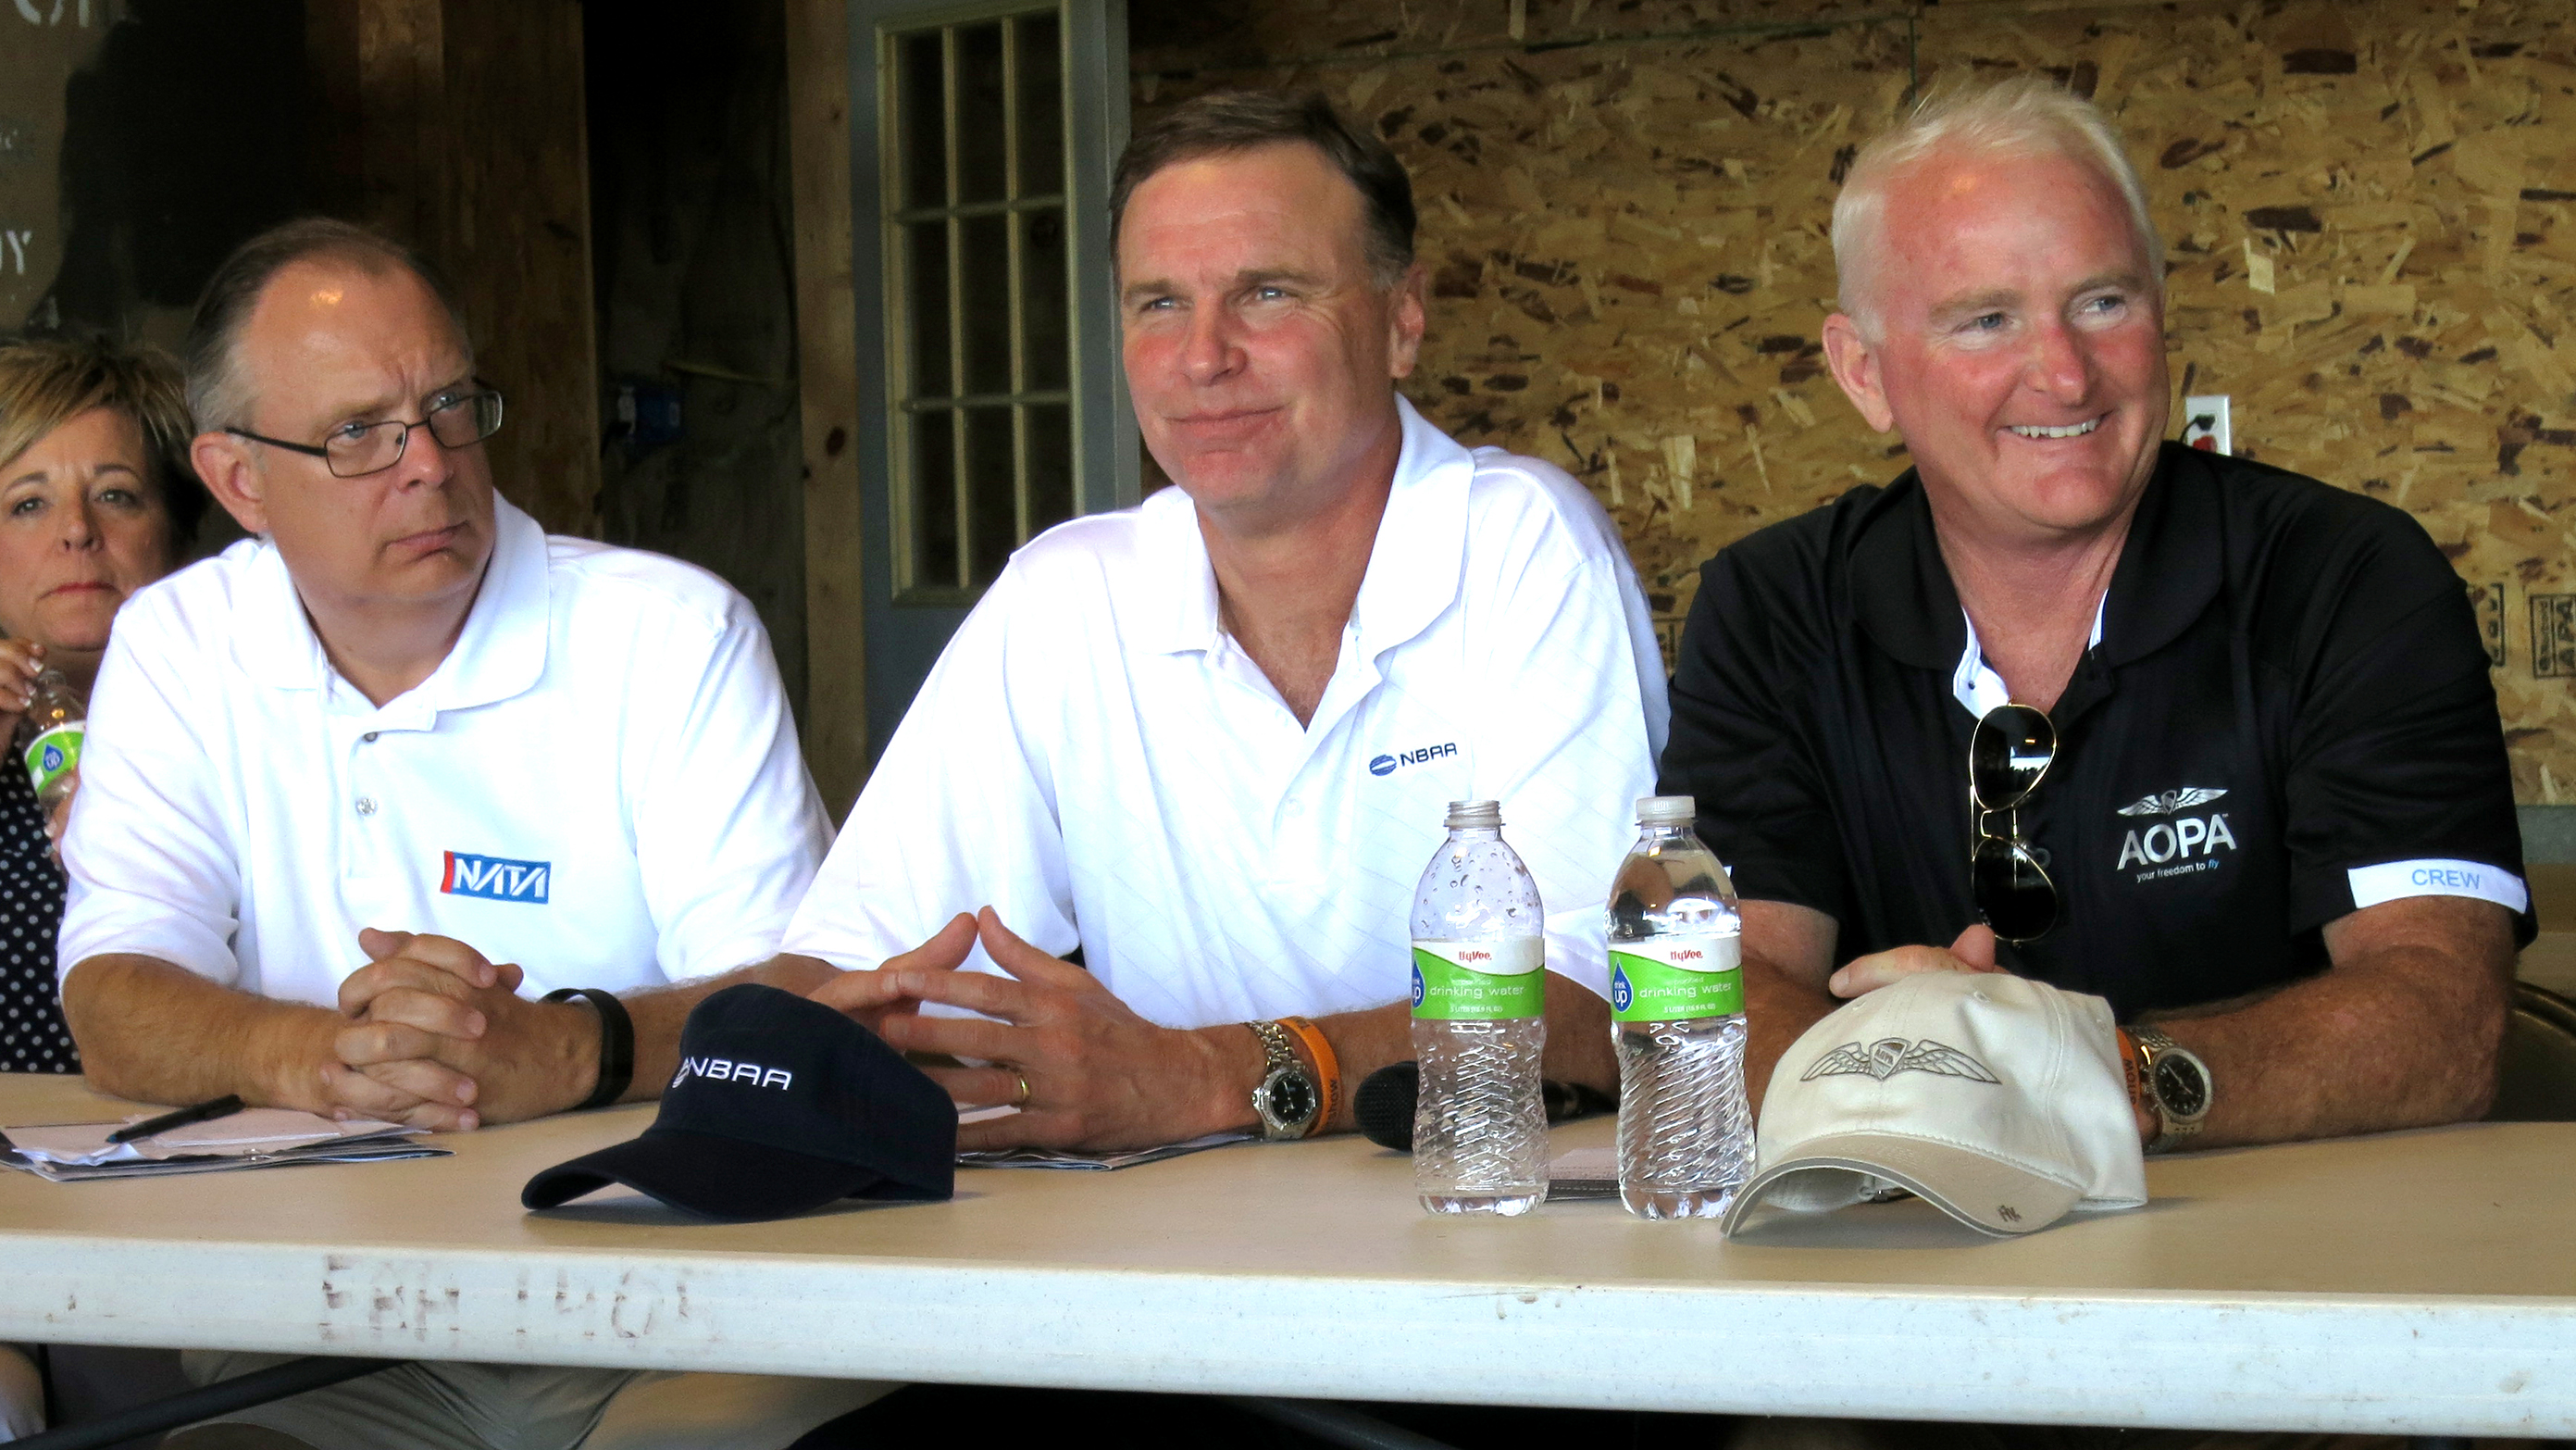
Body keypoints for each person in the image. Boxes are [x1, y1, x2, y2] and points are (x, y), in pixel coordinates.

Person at [53, 219, 877, 1448]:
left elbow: (804, 1005)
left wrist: (564, 1048)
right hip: (325, 1330)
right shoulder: (180, 644)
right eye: (358, 435)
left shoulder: (666, 634)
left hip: (669, 1305)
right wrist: (328, 1054)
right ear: (238, 481)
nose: (427, 465)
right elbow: (113, 988)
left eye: (448, 407)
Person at [1661, 77, 2528, 1160]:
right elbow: (1728, 986)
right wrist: (1903, 1091)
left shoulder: (2346, 578)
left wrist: (2095, 1074)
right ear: (1863, 374)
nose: (2063, 373)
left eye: (2102, 302)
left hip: (2293, 1262)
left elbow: (2444, 1023)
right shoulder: (1770, 608)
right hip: (1912, 1242)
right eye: (1985, 320)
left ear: (2161, 310)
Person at [792, 91, 1665, 1151]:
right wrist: (598, 1041)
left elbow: (1605, 994)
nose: (1203, 357)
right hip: (1170, 1245)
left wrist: (1208, 1075)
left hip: (1484, 1227)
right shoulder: (1068, 593)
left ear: (1401, 319)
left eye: (1265, 293)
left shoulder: (1522, 543)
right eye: (1157, 303)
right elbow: (856, 967)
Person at [0, 336, 206, 1444]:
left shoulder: (240, 720)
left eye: (114, 494)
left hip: (178, 1197)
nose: (76, 532)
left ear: (176, 528)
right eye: (26, 502)